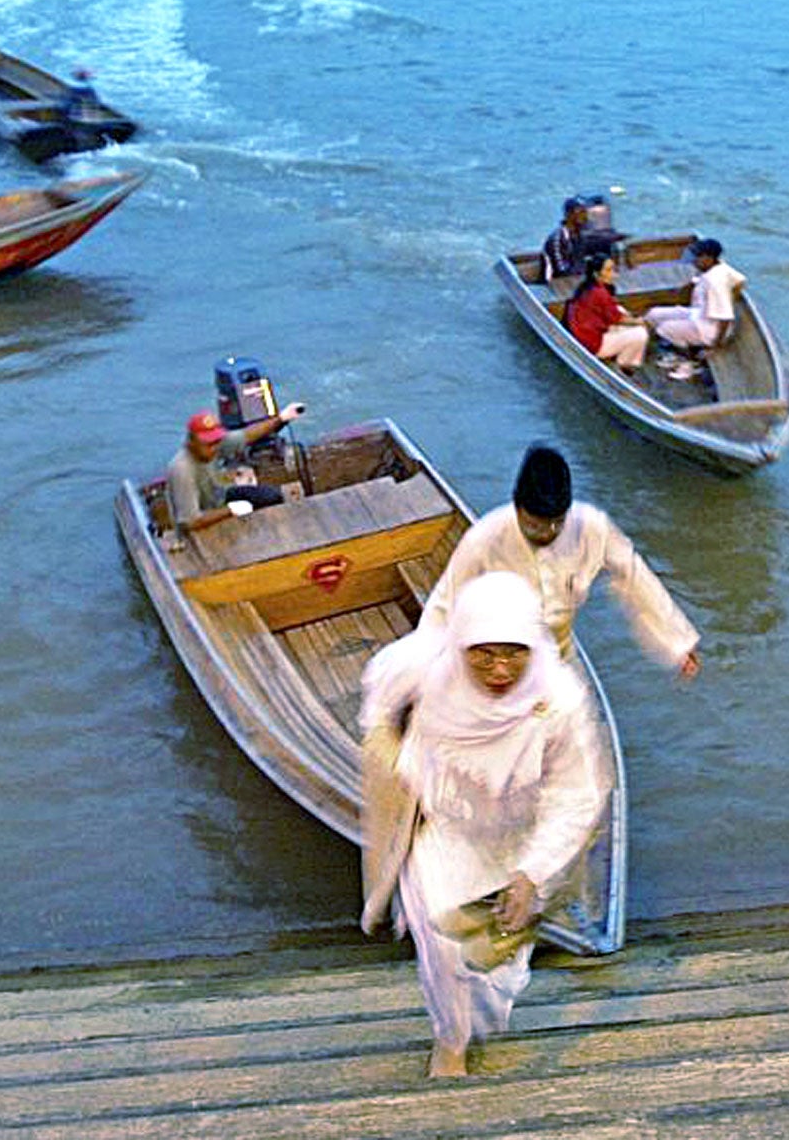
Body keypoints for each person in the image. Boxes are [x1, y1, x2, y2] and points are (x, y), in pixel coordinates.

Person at [360, 572, 610, 1078]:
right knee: (445, 949)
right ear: (461, 644)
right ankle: (449, 1040)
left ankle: (483, 1018)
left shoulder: (559, 698)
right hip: (444, 829)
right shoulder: (426, 666)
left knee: (499, 964)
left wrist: (531, 874)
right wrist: (386, 744)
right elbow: (378, 694)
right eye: (484, 653)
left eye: (513, 653)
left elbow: (576, 794)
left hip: (517, 838)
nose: (499, 669)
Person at [419, 444, 700, 678]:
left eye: (556, 525)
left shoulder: (591, 527)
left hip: (559, 656)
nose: (546, 535)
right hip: (500, 665)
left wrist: (677, 642)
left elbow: (634, 575)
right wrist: (422, 674)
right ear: (517, 508)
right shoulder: (485, 538)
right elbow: (445, 605)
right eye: (534, 526)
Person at [164, 402, 309, 535]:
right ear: (191, 442)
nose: (214, 448)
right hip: (199, 524)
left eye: (216, 442)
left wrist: (282, 418)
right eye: (208, 444)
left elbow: (247, 435)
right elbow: (191, 522)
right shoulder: (181, 470)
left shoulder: (215, 445)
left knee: (271, 496)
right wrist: (231, 511)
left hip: (219, 499)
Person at [563, 253, 649, 372]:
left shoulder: (586, 287)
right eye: (608, 270)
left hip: (580, 335)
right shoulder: (600, 293)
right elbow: (617, 319)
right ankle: (625, 364)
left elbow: (613, 313)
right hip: (592, 345)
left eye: (613, 269)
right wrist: (639, 321)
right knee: (640, 333)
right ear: (596, 273)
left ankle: (624, 354)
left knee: (621, 311)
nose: (613, 273)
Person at [540, 196, 589, 283]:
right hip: (554, 284)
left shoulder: (579, 236)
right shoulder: (557, 239)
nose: (585, 216)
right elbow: (560, 269)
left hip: (575, 281)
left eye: (585, 211)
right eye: (580, 212)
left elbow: (580, 262)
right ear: (568, 214)